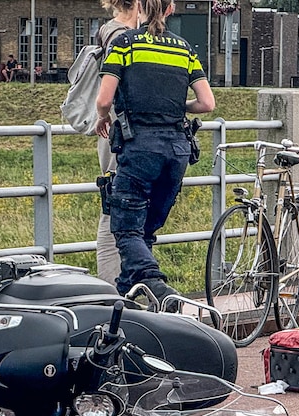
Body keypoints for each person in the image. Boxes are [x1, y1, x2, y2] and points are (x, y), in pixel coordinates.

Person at [94, 0, 214, 305]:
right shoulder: (184, 49)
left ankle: (157, 287)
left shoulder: (125, 44)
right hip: (177, 151)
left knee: (125, 228)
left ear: (139, 8)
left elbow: (104, 100)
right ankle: (128, 302)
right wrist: (175, 107)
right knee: (145, 232)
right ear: (170, 10)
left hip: (140, 150)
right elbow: (206, 103)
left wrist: (102, 118)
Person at [93, 0, 140, 285]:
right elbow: (110, 94)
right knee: (114, 207)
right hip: (117, 130)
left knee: (124, 208)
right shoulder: (117, 36)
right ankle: (113, 290)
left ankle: (127, 286)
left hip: (121, 129)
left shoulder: (114, 32)